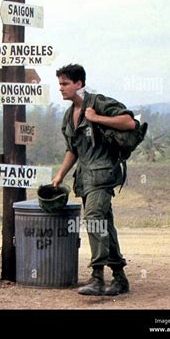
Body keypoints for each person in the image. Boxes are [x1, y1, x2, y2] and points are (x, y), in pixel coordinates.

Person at [51, 64, 135, 296]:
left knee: (94, 219)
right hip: (85, 178)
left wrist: (97, 118)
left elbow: (129, 123)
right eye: (59, 84)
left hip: (103, 174)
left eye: (65, 84)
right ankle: (120, 279)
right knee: (104, 224)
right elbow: (73, 150)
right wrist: (59, 175)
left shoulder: (98, 103)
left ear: (79, 84)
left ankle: (97, 276)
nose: (61, 89)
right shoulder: (69, 116)